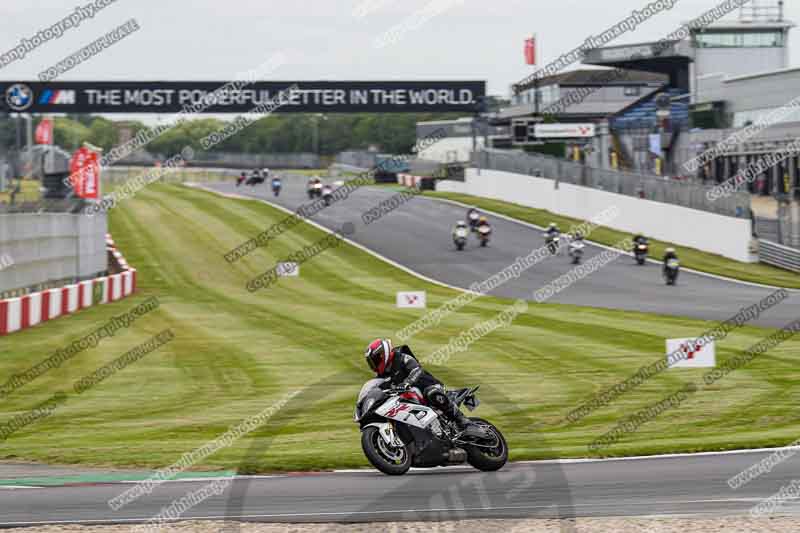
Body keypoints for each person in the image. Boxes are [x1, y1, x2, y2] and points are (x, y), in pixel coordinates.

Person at [364, 339, 486, 438]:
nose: (373, 364)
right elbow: (379, 390)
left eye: (374, 360)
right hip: (410, 397)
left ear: (382, 354)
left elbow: (417, 370)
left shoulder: (401, 357)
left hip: (428, 386)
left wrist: (407, 382)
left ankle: (463, 421)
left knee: (431, 393)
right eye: (371, 362)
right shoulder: (382, 376)